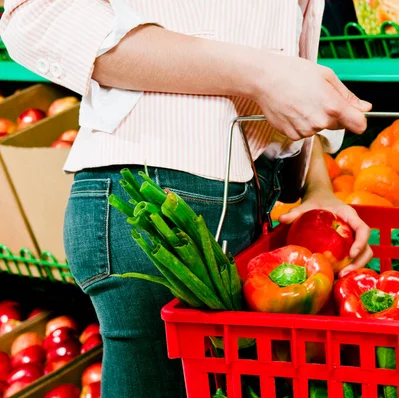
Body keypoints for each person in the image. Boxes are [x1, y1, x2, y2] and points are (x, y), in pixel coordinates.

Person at [0, 1, 373, 396]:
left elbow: (281, 56)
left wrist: (318, 188)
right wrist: (259, 74)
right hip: (156, 199)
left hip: (250, 196)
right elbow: (38, 16)